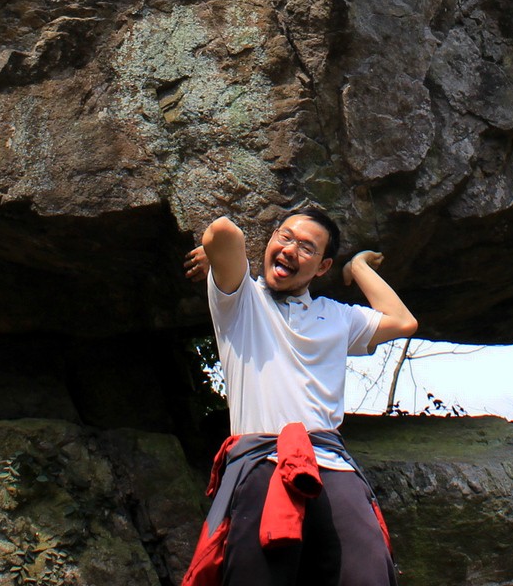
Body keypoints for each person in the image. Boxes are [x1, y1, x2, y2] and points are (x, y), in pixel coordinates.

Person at [179, 208, 417, 586]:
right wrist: (227, 257)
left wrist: (358, 268)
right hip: (260, 461)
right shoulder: (240, 301)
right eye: (284, 237)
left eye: (306, 247)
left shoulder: (337, 317)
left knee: (368, 573)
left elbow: (402, 321)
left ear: (323, 267)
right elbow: (223, 231)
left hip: (332, 465)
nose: (290, 250)